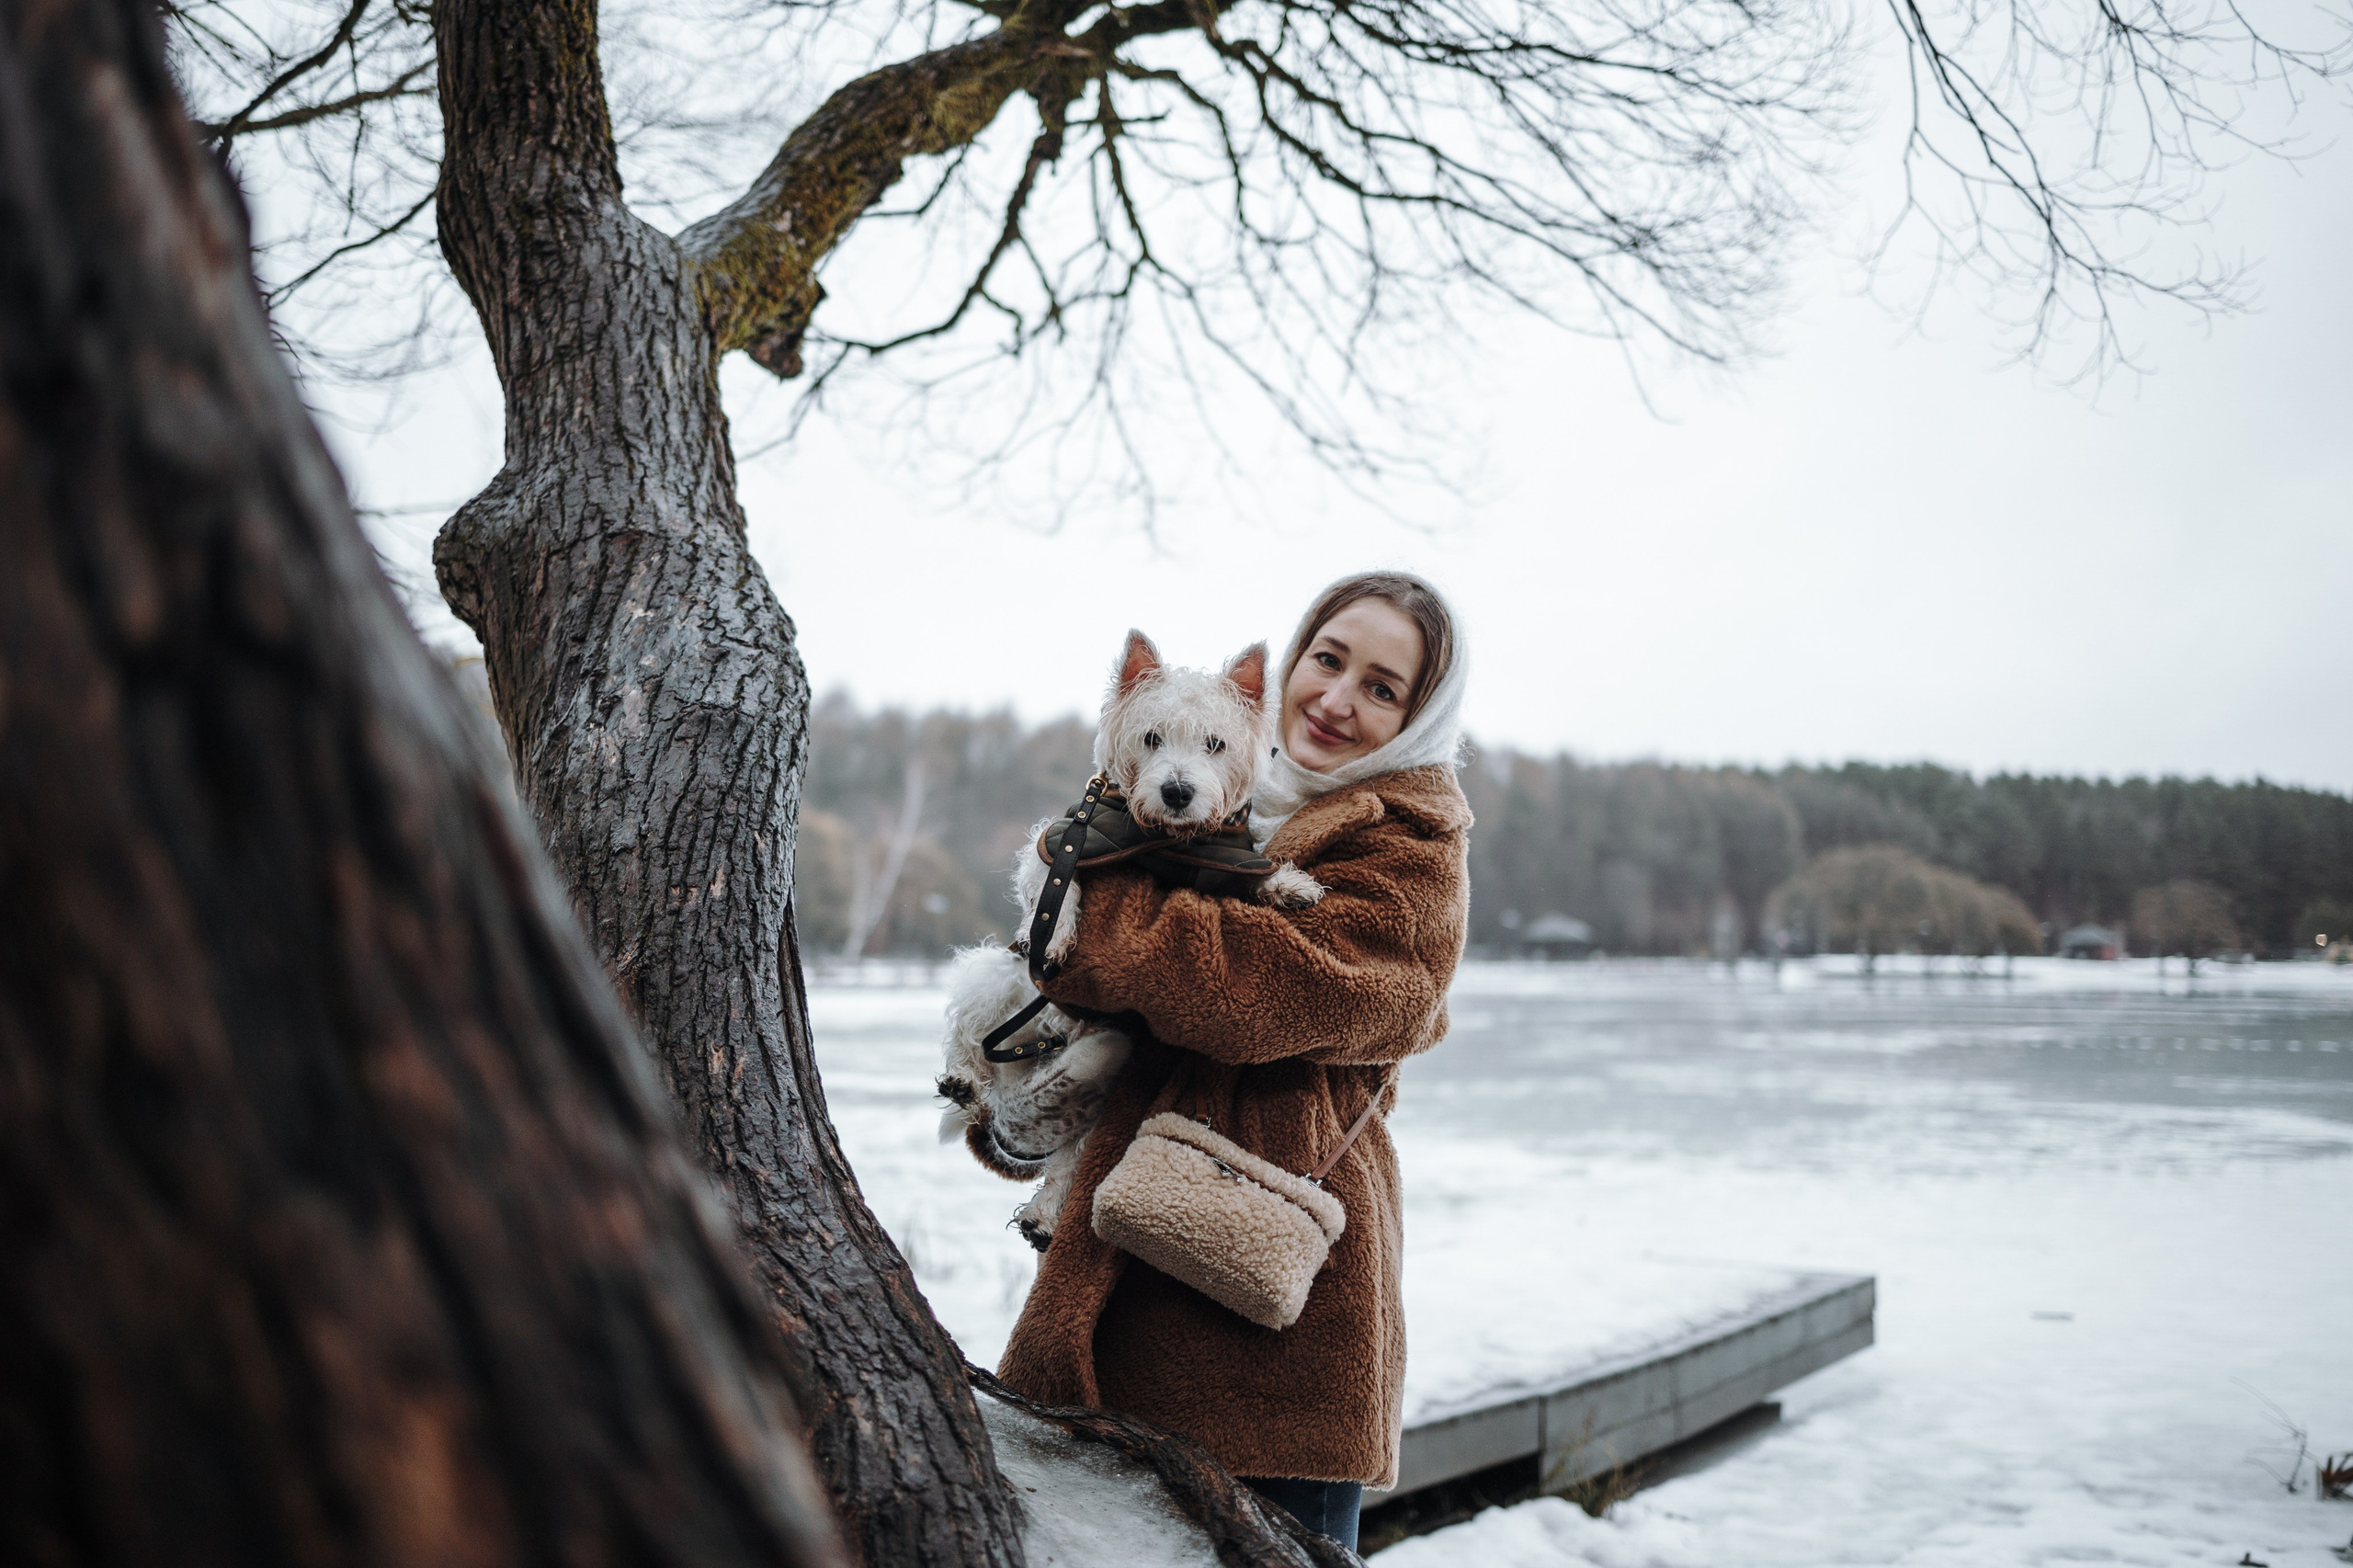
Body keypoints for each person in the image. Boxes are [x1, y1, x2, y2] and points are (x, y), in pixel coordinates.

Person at [998, 571, 1472, 1552]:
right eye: (1327, 658)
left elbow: (1253, 991)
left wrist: (1093, 902)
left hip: (1273, 1330)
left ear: (1419, 717)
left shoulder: (1412, 848)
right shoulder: (1232, 804)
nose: (1337, 698)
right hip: (1123, 1261)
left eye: (1382, 687)